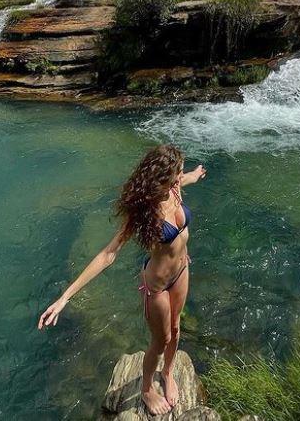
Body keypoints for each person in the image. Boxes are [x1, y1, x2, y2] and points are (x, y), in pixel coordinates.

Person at [37, 144, 206, 416]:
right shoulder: (143, 211)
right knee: (160, 340)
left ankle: (169, 372)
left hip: (182, 271)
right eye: (177, 173)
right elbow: (108, 254)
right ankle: (147, 389)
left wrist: (194, 175)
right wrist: (64, 297)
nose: (180, 176)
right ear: (161, 179)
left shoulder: (174, 187)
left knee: (176, 329)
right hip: (158, 285)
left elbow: (184, 179)